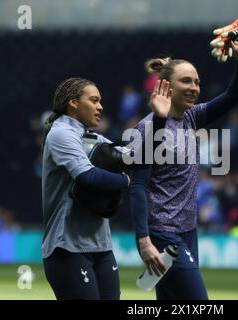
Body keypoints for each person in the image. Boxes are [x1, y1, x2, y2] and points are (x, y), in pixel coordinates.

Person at [129, 40, 238, 299]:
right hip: (163, 233)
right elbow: (138, 185)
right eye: (186, 81)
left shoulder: (191, 116)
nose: (194, 88)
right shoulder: (147, 128)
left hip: (188, 231)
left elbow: (234, 96)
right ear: (166, 86)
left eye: (196, 82)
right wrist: (143, 239)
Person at [41, 77, 171, 300]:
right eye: (94, 100)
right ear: (73, 103)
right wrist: (126, 182)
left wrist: (159, 119)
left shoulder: (92, 137)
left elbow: (141, 159)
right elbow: (87, 177)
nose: (100, 106)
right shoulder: (61, 133)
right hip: (67, 248)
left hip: (101, 246)